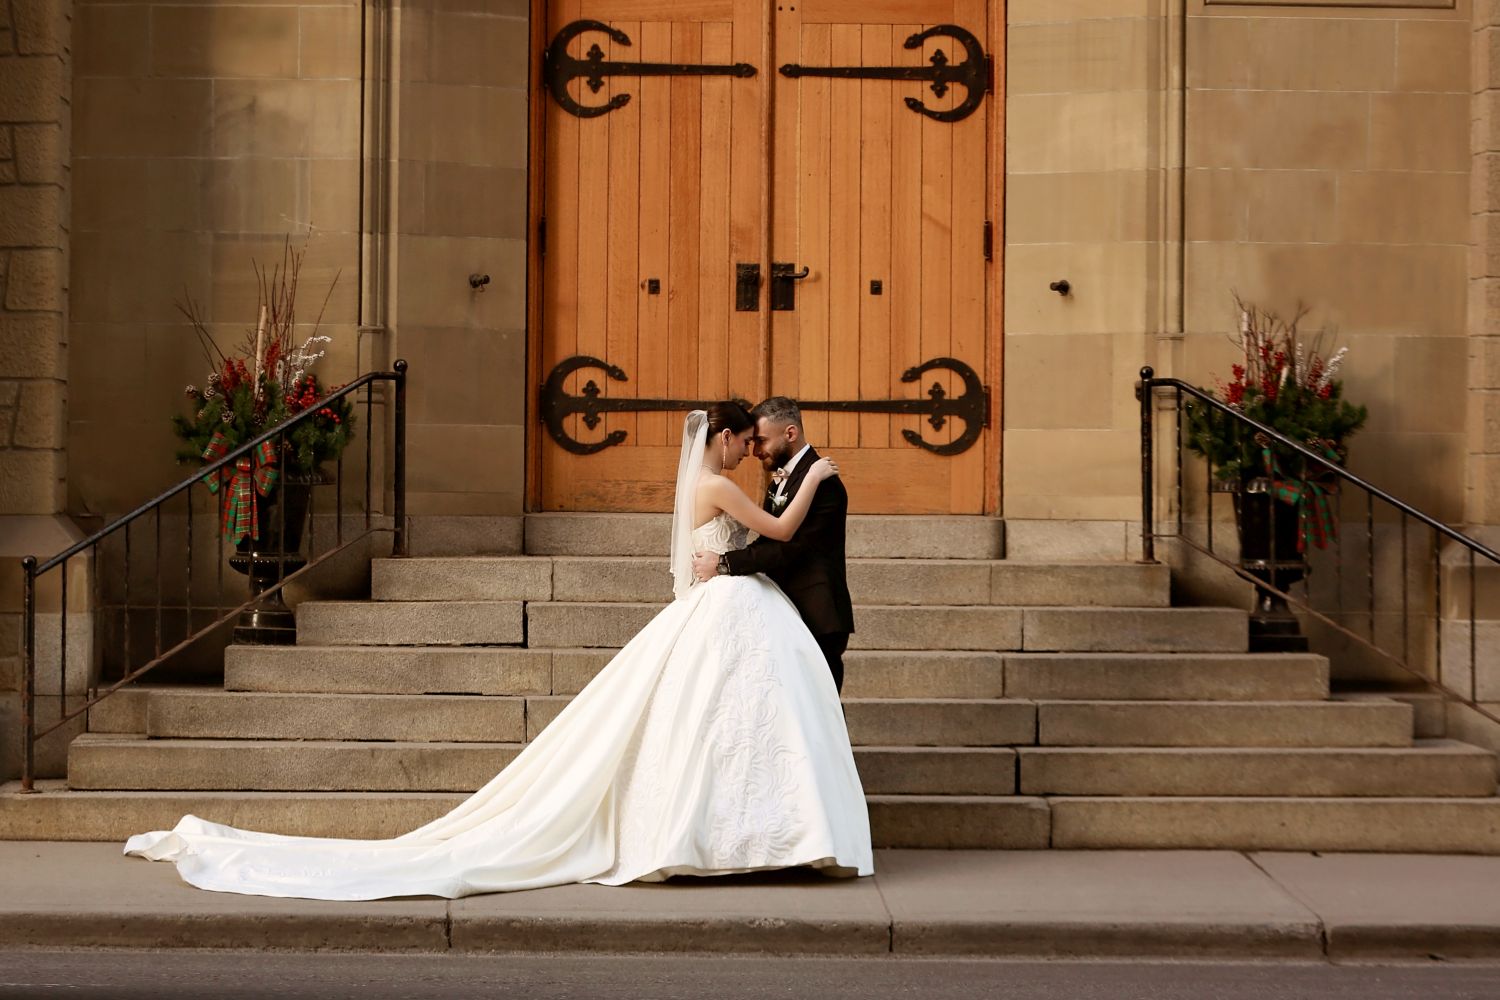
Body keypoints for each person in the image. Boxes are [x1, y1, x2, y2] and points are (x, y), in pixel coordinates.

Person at [123, 402, 873, 900]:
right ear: (725, 438)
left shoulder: (704, 483)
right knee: (720, 722)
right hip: (727, 606)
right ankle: (729, 837)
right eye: (745, 441)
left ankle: (734, 835)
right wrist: (816, 478)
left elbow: (752, 544)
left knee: (722, 724)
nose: (750, 452)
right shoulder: (718, 485)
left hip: (729, 605)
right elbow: (779, 532)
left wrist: (737, 547)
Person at [692, 397, 853, 692]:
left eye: (761, 441)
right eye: (750, 441)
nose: (754, 451)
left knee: (819, 705)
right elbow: (770, 538)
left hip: (816, 611)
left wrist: (725, 562)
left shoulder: (822, 481)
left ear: (790, 433)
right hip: (784, 607)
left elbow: (791, 547)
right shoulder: (782, 478)